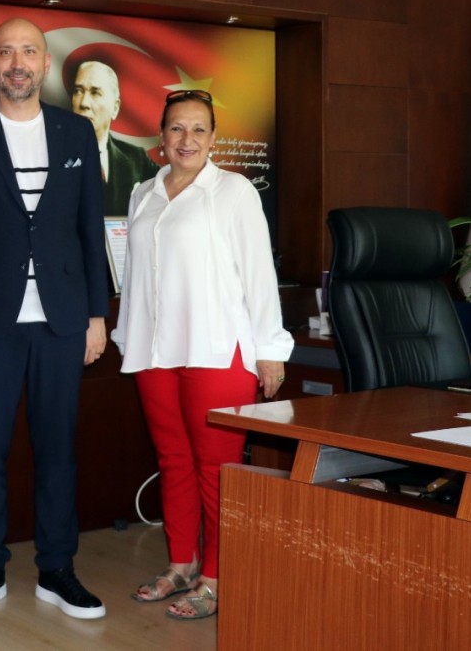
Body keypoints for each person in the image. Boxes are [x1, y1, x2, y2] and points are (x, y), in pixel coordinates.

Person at [0, 17, 109, 621]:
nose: (17, 63)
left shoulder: (76, 131)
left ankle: (58, 570)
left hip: (63, 321)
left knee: (59, 450)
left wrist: (97, 314)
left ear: (44, 63)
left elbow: (90, 230)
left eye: (28, 52)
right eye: (5, 52)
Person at [113, 88, 291, 621]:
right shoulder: (143, 193)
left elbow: (259, 274)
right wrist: (126, 337)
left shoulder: (234, 191)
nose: (186, 139)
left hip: (217, 350)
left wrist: (270, 350)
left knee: (217, 469)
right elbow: (134, 276)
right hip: (154, 349)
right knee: (172, 461)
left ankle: (215, 577)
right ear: (161, 137)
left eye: (198, 129)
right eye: (176, 128)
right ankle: (181, 564)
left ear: (213, 138)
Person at [70, 60, 159, 217]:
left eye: (95, 93)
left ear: (115, 107)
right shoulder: (51, 154)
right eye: (78, 91)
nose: (84, 103)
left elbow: (176, 187)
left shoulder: (136, 159)